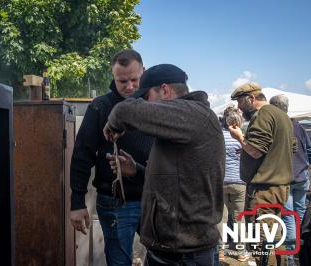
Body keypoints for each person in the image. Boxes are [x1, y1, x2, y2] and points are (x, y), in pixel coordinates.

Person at [103, 64, 225, 266]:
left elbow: (125, 110)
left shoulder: (193, 115)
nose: (145, 103)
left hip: (185, 255)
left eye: (146, 97)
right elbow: (179, 179)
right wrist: (137, 171)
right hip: (173, 251)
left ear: (165, 91)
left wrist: (113, 123)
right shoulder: (184, 122)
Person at [69, 49, 153, 266]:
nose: (129, 86)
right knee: (118, 262)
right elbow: (82, 155)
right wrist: (77, 202)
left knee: (162, 259)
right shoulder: (100, 106)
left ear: (143, 72)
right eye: (122, 81)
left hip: (154, 198)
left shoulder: (156, 105)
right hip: (114, 202)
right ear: (113, 76)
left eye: (134, 79)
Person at [229, 83, 295, 266]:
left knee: (262, 240)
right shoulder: (282, 115)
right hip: (279, 188)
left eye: (240, 102)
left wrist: (239, 137)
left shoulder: (263, 114)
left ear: (251, 98)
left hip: (264, 189)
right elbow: (292, 147)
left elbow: (257, 151)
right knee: (274, 236)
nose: (238, 107)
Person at [269, 94, 311, 265]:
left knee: (288, 216)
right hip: (301, 176)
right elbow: (309, 149)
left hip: (286, 179)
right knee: (300, 215)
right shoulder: (298, 126)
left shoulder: (275, 127)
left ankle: (292, 256)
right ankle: (300, 253)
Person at [217, 106, 250, 262]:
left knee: (221, 218)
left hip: (221, 181)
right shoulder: (242, 136)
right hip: (239, 182)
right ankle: (242, 251)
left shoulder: (219, 136)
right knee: (239, 217)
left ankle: (221, 250)